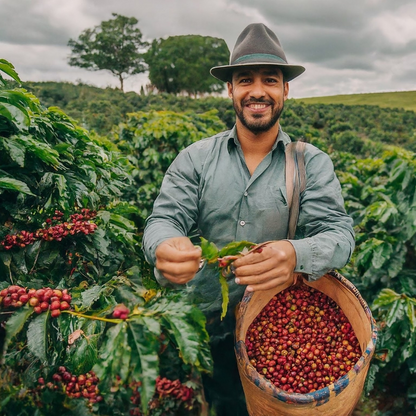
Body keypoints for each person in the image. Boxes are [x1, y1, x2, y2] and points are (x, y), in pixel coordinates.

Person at [142, 23, 355, 416]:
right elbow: (164, 219)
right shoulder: (195, 159)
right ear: (231, 90)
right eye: (245, 80)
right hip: (211, 324)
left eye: (270, 80)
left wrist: (295, 253)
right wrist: (164, 246)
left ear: (285, 90)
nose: (258, 91)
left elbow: (340, 234)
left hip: (278, 325)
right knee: (225, 404)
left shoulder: (310, 162)